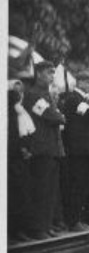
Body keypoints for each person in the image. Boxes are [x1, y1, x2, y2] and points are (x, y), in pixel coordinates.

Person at [23, 61, 66, 240]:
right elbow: (51, 116)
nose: (51, 76)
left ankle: (46, 225)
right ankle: (37, 228)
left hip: (52, 148)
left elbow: (54, 115)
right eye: (49, 72)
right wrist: (59, 116)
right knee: (40, 190)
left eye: (53, 73)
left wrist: (58, 116)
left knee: (50, 190)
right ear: (39, 73)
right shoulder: (33, 94)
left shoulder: (45, 94)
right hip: (41, 148)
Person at [61, 71, 89, 230]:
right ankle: (73, 220)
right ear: (81, 83)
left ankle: (80, 217)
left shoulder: (85, 99)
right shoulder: (75, 99)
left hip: (87, 148)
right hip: (78, 148)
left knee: (85, 184)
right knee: (77, 185)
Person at [8, 80, 35, 242]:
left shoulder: (21, 111)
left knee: (23, 193)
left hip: (22, 158)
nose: (19, 95)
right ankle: (13, 231)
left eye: (21, 92)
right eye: (15, 92)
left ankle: (19, 229)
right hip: (13, 158)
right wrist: (21, 149)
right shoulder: (11, 112)